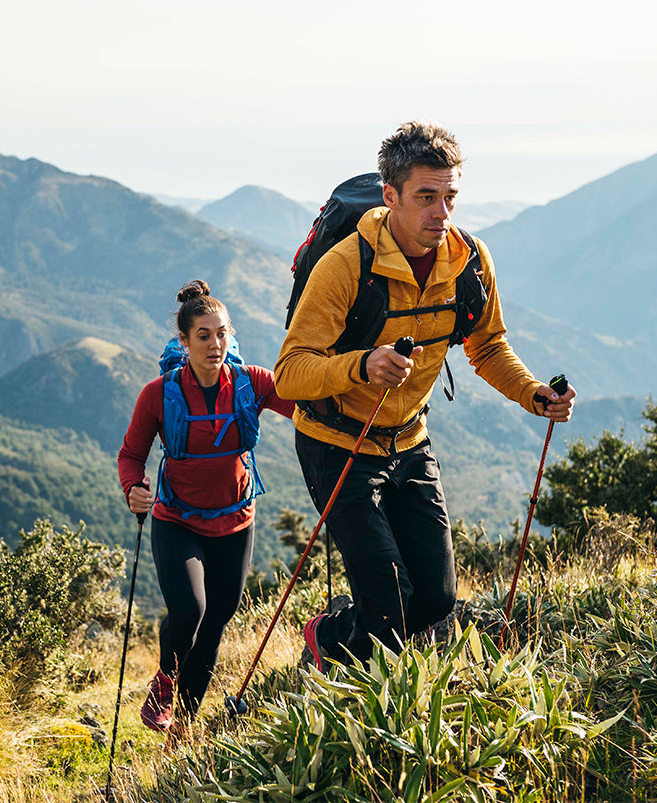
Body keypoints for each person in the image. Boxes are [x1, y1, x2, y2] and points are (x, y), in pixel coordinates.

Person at [274, 121, 576, 669]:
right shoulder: (346, 266)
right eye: (426, 197)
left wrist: (534, 395)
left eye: (450, 197)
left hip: (409, 440)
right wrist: (363, 365)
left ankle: (333, 637)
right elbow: (290, 375)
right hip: (336, 443)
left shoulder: (468, 261)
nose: (442, 213)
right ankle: (363, 698)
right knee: (389, 605)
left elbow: (487, 347)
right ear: (390, 197)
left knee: (435, 599)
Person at [118, 280, 294, 737]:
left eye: (222, 334)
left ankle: (184, 727)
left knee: (216, 620)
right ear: (184, 341)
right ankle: (164, 682)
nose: (215, 344)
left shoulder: (253, 382)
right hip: (177, 520)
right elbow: (131, 455)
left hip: (236, 520)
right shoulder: (158, 393)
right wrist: (133, 487)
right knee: (191, 610)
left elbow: (307, 412)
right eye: (203, 335)